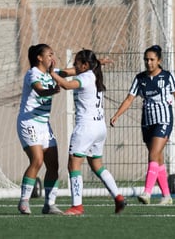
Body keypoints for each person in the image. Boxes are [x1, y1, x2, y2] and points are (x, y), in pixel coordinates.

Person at [110, 45, 175, 205]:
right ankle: (167, 196)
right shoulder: (140, 78)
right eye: (146, 59)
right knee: (158, 158)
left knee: (153, 154)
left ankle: (147, 192)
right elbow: (129, 99)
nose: (149, 62)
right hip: (147, 122)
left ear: (159, 60)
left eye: (152, 59)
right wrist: (117, 115)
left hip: (164, 120)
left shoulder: (168, 77)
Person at [50, 49, 126, 216]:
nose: (73, 65)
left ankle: (77, 206)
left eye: (76, 62)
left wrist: (52, 74)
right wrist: (54, 71)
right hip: (99, 128)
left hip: (86, 128)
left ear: (85, 65)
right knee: (97, 165)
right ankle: (118, 197)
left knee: (73, 165)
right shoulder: (93, 73)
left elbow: (67, 85)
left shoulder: (84, 77)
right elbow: (68, 72)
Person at [16, 44, 63, 215]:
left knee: (53, 164)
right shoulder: (33, 73)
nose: (52, 57)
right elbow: (40, 90)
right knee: (37, 160)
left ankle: (49, 204)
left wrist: (95, 63)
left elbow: (71, 72)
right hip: (29, 122)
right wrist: (52, 90)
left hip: (44, 124)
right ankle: (24, 201)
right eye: (49, 54)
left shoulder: (52, 72)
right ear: (40, 58)